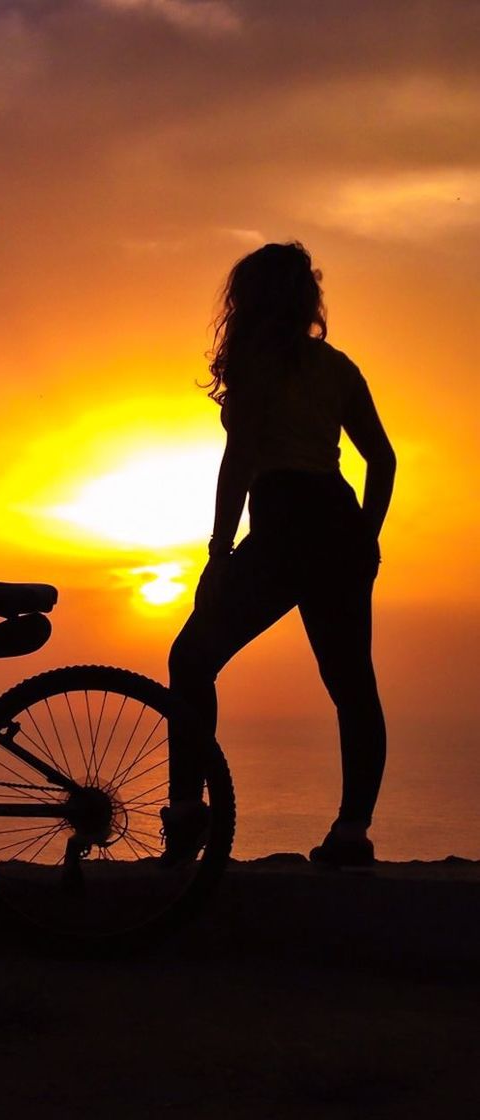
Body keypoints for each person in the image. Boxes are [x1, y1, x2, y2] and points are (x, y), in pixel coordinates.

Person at [163, 241, 396, 867]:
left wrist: (217, 552)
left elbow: (239, 463)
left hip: (284, 522)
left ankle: (186, 815)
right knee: (352, 685)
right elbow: (382, 459)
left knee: (190, 660)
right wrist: (366, 536)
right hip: (335, 521)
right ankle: (352, 832)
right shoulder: (339, 367)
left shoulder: (255, 364)